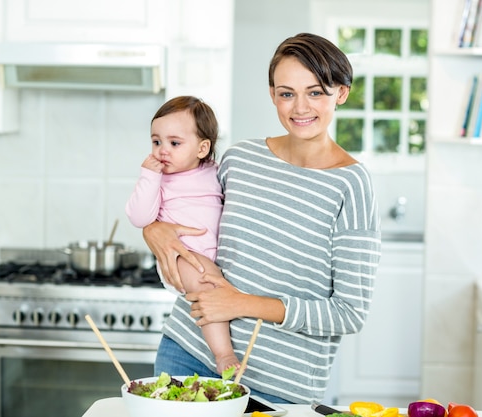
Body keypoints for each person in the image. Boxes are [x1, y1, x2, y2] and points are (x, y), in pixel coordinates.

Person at [142, 33, 381, 404]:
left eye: (315, 92)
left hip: (277, 387)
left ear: (342, 93)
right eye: (287, 93)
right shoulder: (240, 160)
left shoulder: (351, 184)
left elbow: (349, 313)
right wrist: (153, 230)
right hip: (186, 352)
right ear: (273, 95)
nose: (300, 107)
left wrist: (241, 303)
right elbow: (177, 203)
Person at [125, 95, 240, 374]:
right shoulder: (158, 180)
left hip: (210, 256)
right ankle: (223, 354)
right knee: (206, 291)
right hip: (181, 257)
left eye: (174, 143)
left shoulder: (214, 171)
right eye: (156, 141)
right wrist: (148, 178)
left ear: (202, 148)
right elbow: (139, 217)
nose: (162, 150)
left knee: (212, 285)